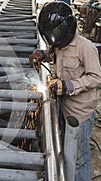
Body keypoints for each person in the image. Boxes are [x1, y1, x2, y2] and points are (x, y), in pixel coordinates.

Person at [30, 1, 101, 180]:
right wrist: (42, 55)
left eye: (56, 32)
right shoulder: (58, 44)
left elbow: (96, 77)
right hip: (63, 106)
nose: (53, 38)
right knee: (66, 149)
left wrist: (70, 86)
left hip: (80, 113)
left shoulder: (85, 47)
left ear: (67, 27)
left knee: (79, 159)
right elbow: (53, 55)